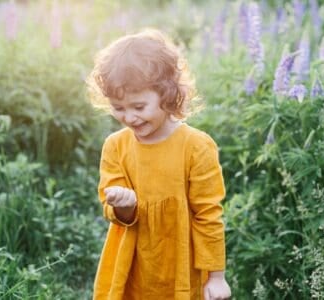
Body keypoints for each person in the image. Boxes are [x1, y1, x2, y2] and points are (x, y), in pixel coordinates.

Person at [86, 28, 231, 300]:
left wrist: (217, 276)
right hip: (132, 266)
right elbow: (111, 208)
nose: (129, 117)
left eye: (139, 107)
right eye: (118, 107)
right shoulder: (115, 146)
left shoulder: (196, 146)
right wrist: (123, 205)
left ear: (167, 94)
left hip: (180, 267)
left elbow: (208, 215)